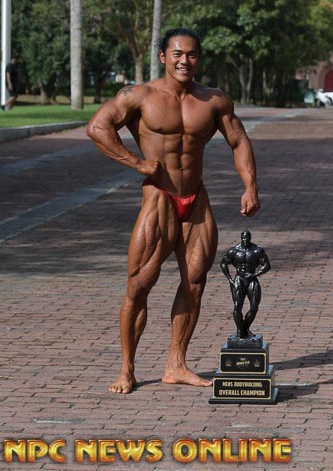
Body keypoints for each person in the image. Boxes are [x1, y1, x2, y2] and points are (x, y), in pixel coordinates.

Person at [87, 28, 260, 394]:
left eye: (192, 54)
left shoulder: (214, 100)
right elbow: (98, 127)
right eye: (178, 54)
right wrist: (136, 163)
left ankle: (176, 364)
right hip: (159, 198)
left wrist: (250, 186)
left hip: (196, 199)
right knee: (139, 285)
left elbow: (238, 140)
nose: (185, 60)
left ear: (199, 58)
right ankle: (127, 369)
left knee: (195, 282)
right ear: (163, 56)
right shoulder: (139, 96)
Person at [220, 229, 271, 340]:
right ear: (241, 238)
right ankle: (240, 330)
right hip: (239, 279)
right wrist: (229, 279)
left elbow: (267, 265)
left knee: (254, 307)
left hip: (252, 279)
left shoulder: (256, 251)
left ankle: (245, 328)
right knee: (237, 306)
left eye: (247, 237)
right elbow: (223, 264)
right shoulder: (234, 251)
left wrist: (256, 274)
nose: (245, 239)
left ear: (250, 238)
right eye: (243, 237)